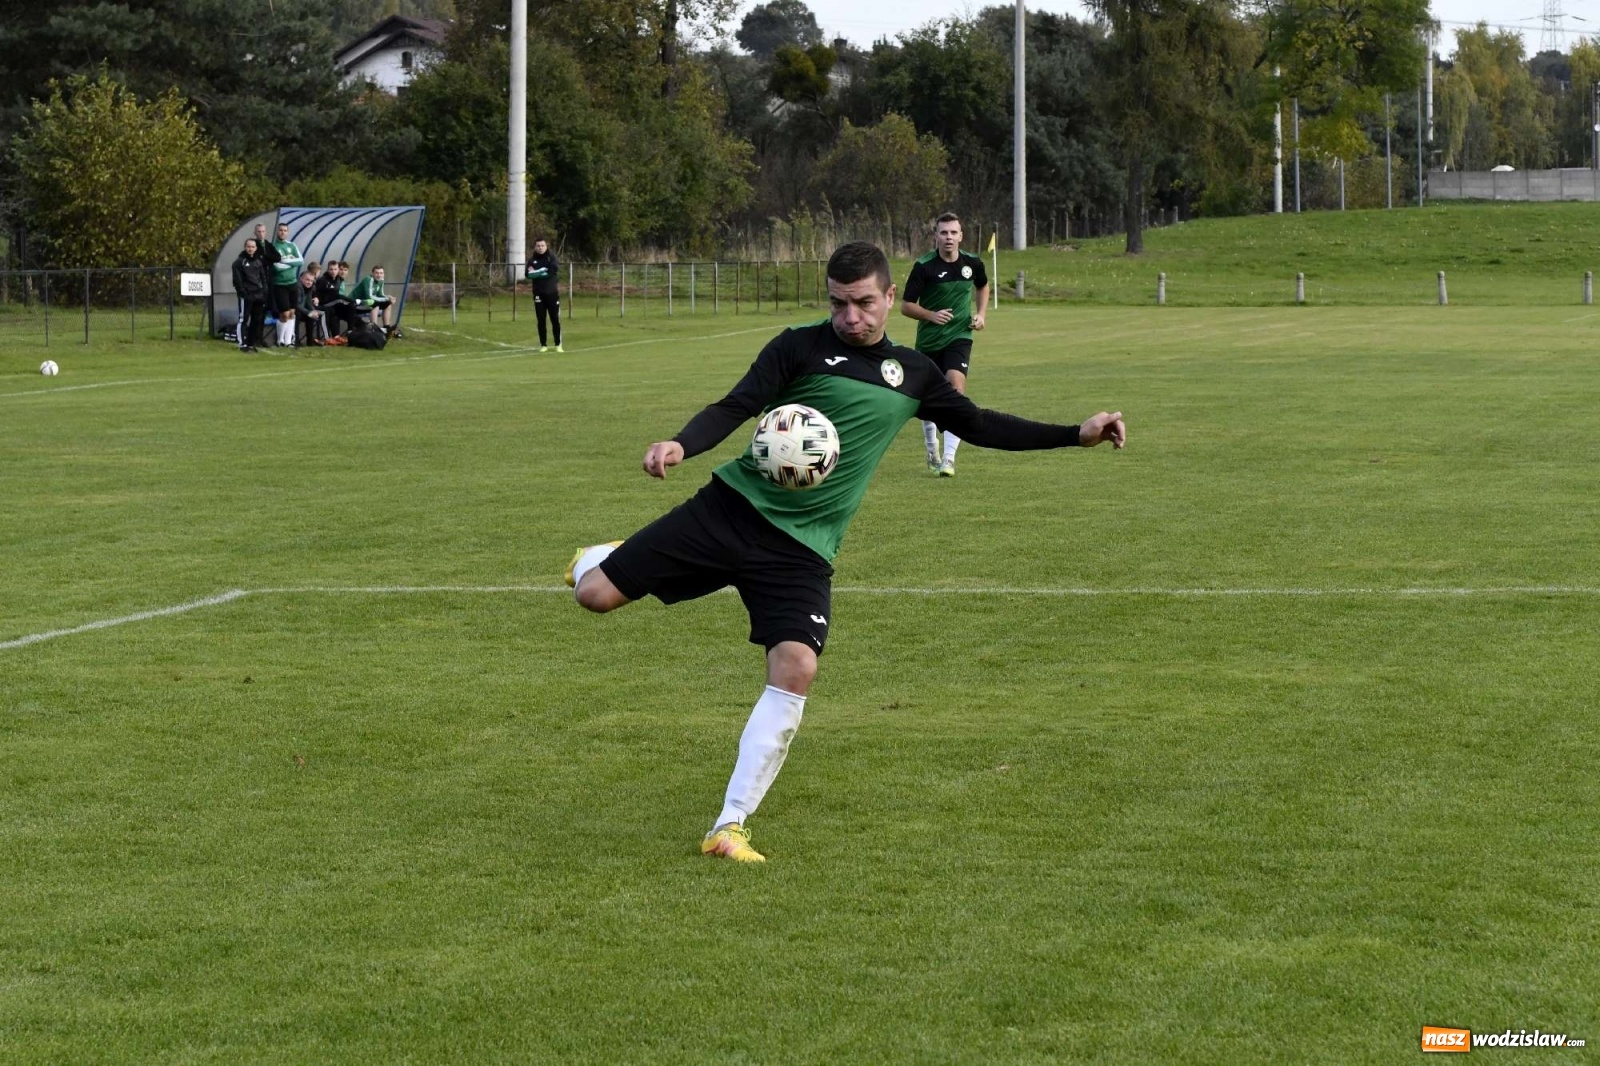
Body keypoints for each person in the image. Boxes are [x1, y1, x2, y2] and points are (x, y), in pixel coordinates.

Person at [564, 242, 1126, 864]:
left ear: (891, 299)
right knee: (594, 595)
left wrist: (1075, 434)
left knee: (797, 667)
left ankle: (729, 826)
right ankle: (607, 555)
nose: (851, 317)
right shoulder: (797, 347)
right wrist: (680, 444)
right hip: (728, 511)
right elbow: (737, 405)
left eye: (864, 303)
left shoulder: (914, 374)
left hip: (802, 551)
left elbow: (981, 425)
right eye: (839, 304)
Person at [900, 212, 990, 477]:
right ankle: (932, 448)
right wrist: (931, 315)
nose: (948, 237)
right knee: (928, 399)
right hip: (929, 340)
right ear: (935, 236)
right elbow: (906, 306)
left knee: (956, 388)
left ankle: (948, 460)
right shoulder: (924, 266)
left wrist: (982, 314)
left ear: (961, 236)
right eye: (943, 232)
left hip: (960, 336)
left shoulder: (972, 263)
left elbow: (983, 286)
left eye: (953, 232)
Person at [525, 237, 563, 352]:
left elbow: (552, 272)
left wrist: (537, 273)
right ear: (535, 247)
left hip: (552, 293)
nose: (540, 248)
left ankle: (558, 344)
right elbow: (528, 275)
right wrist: (541, 271)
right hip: (538, 294)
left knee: (555, 319)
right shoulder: (532, 260)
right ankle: (543, 345)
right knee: (541, 320)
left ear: (546, 246)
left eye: (542, 245)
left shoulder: (551, 258)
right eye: (538, 246)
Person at [231, 238, 268, 353]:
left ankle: (251, 343)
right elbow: (237, 280)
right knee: (243, 319)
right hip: (247, 295)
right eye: (248, 246)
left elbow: (263, 277)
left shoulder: (258, 261)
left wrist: (264, 290)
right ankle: (242, 343)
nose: (250, 249)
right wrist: (243, 293)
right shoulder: (239, 262)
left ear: (256, 248)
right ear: (245, 247)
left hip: (258, 295)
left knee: (256, 320)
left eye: (253, 247)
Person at [268, 223, 305, 322]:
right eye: (280, 230)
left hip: (293, 283)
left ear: (287, 232)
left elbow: (301, 261)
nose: (282, 232)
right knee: (285, 314)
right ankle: (281, 338)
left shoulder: (292, 245)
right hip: (280, 284)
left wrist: (283, 260)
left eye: (285, 230)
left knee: (292, 313)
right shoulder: (271, 246)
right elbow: (276, 267)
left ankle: (289, 338)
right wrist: (292, 261)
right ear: (276, 231)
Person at [351, 265, 396, 334]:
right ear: (372, 273)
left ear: (384, 274)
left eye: (381, 273)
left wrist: (389, 297)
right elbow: (369, 296)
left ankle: (386, 327)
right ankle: (374, 329)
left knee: (388, 304)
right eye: (377, 273)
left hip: (367, 303)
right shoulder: (368, 279)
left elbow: (380, 294)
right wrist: (386, 298)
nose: (379, 275)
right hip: (355, 304)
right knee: (375, 305)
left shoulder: (381, 280)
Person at [296, 270, 328, 346]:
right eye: (307, 280)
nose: (309, 282)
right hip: (293, 310)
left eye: (311, 280)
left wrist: (313, 311)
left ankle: (310, 341)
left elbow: (308, 303)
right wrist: (309, 312)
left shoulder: (311, 287)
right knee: (297, 315)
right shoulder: (297, 287)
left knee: (311, 317)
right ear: (301, 279)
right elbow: (296, 304)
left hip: (302, 310)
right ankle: (295, 340)